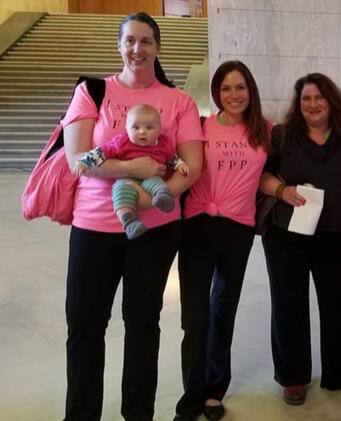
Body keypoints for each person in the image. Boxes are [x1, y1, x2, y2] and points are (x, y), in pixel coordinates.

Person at [61, 12, 204, 421]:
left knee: (142, 325)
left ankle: (138, 414)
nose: (137, 49)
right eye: (129, 40)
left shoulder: (179, 102)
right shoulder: (93, 92)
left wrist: (151, 198)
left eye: (146, 41)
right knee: (85, 325)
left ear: (157, 48)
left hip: (155, 232)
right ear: (119, 46)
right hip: (93, 227)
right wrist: (131, 168)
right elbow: (77, 160)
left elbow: (190, 167)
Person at [174, 60, 271, 421]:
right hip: (197, 227)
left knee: (222, 311)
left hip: (237, 231)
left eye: (240, 87)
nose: (234, 94)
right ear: (216, 92)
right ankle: (191, 396)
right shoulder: (200, 127)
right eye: (226, 88)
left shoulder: (265, 131)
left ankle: (215, 389)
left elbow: (268, 174)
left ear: (250, 91)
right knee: (195, 317)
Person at [258, 73, 341, 406]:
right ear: (298, 103)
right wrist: (282, 190)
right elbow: (260, 175)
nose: (313, 104)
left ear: (332, 101)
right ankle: (293, 377)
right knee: (288, 303)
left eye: (319, 97)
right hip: (286, 233)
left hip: (334, 235)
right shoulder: (282, 136)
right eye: (306, 99)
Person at [74, 104, 189, 239]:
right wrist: (85, 162)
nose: (142, 132)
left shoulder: (163, 144)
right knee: (120, 193)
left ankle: (163, 198)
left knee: (158, 184)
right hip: (126, 178)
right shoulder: (121, 142)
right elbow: (101, 152)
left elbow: (171, 157)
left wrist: (179, 164)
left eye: (149, 128)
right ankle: (130, 222)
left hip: (151, 177)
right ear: (127, 129)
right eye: (135, 127)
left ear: (159, 130)